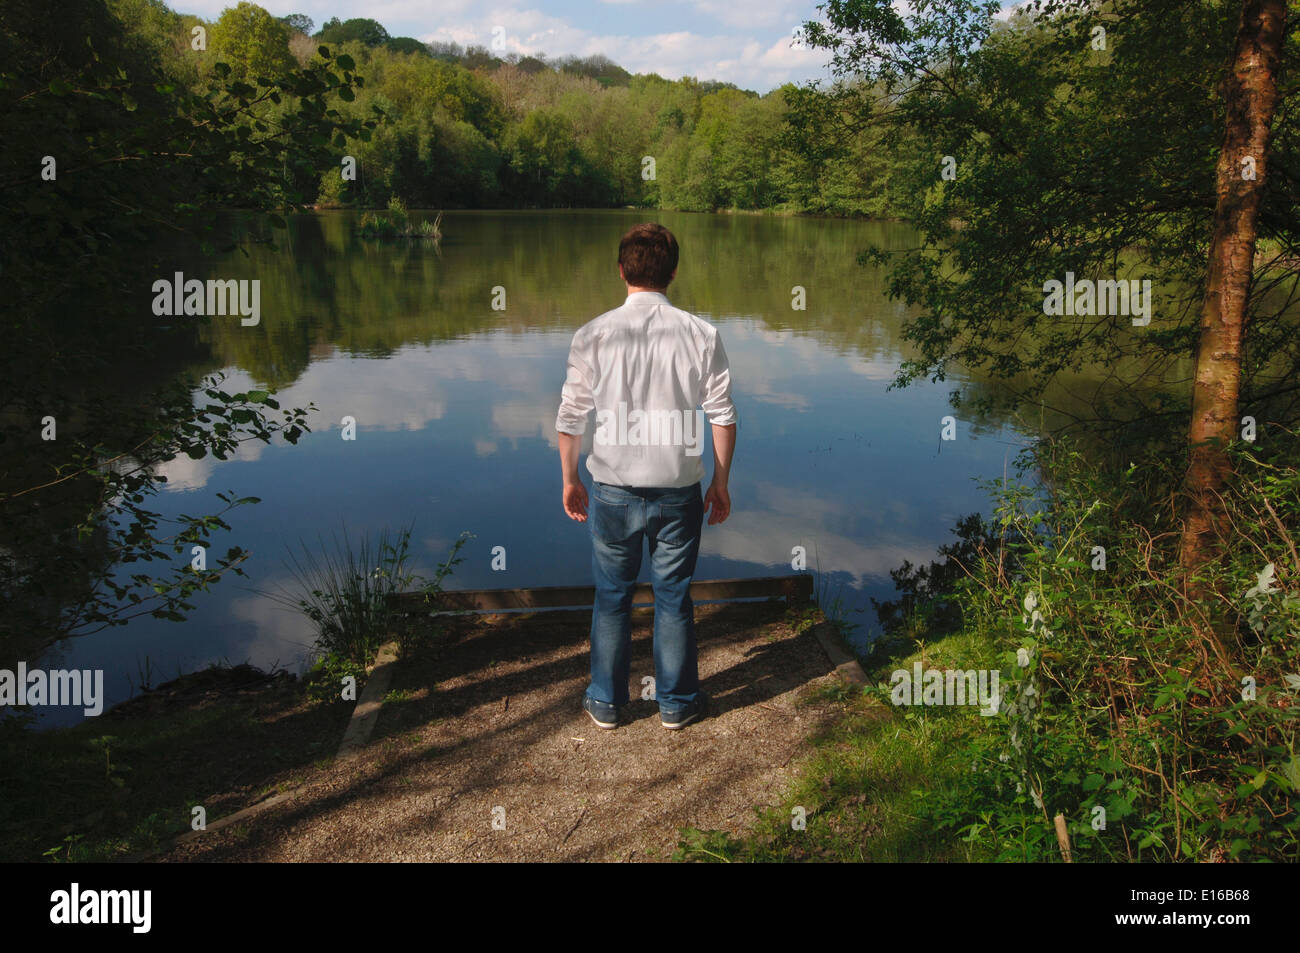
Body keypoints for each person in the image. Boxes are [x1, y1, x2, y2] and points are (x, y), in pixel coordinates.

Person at [555, 223, 738, 730]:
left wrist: (570, 478)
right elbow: (721, 414)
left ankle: (608, 704)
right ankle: (676, 704)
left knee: (612, 598)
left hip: (612, 490)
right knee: (673, 596)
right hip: (679, 491)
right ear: (673, 272)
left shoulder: (592, 334)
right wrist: (720, 482)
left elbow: (572, 416)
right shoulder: (702, 334)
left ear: (621, 271)